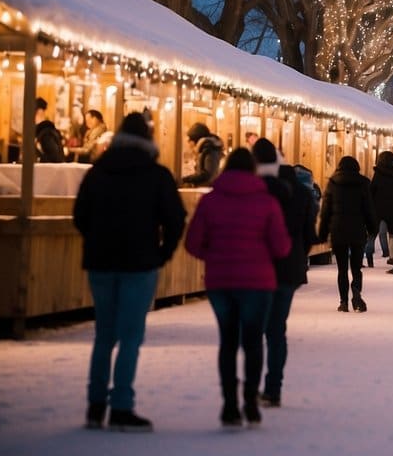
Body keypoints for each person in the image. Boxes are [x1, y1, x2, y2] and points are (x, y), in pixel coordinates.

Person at [73, 113, 186, 431]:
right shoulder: (156, 175)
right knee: (131, 336)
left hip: (100, 261)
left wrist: (95, 240)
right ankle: (121, 405)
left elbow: (80, 214)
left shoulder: (98, 172)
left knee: (104, 335)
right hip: (140, 263)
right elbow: (175, 219)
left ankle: (95, 406)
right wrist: (162, 253)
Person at [184, 148, 290, 428]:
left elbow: (193, 243)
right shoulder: (266, 202)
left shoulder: (210, 201)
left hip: (221, 282)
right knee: (254, 342)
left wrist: (216, 255)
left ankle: (230, 405)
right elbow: (281, 247)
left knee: (228, 342)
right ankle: (251, 403)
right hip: (258, 282)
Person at [251, 139, 314, 409]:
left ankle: (253, 387)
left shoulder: (254, 190)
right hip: (289, 268)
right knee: (277, 329)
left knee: (254, 329)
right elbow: (310, 232)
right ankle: (273, 387)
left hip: (257, 267)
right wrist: (299, 254)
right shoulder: (301, 192)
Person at [317, 156, 376, 313]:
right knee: (356, 268)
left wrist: (323, 233)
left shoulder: (333, 183)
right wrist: (372, 228)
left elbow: (326, 211)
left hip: (338, 231)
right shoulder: (363, 183)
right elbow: (368, 209)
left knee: (342, 269)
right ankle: (356, 295)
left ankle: (343, 302)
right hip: (357, 231)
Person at [181, 122, 224, 187]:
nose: (189, 143)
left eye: (190, 140)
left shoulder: (209, 149)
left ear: (195, 139)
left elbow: (207, 174)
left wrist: (186, 179)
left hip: (207, 189)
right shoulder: (206, 149)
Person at [34, 97, 65, 163]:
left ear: (40, 112)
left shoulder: (46, 133)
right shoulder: (45, 131)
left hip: (50, 172)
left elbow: (55, 158)